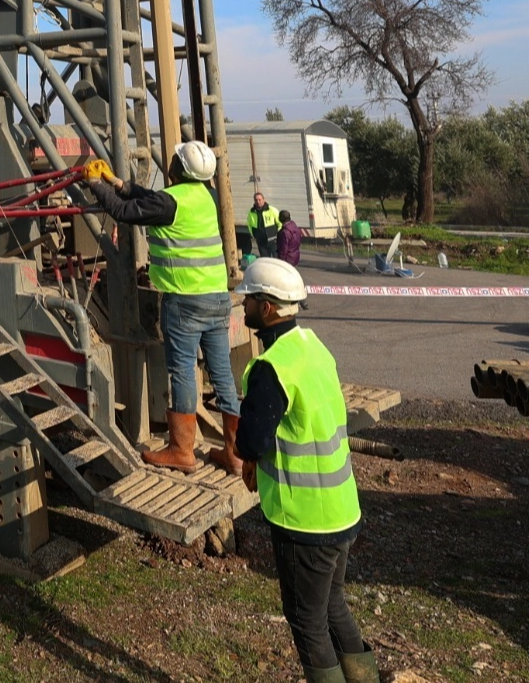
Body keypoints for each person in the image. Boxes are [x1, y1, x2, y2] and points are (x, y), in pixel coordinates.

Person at [234, 258, 376, 683]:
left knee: (307, 621)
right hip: (341, 509)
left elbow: (253, 441)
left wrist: (247, 456)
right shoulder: (314, 347)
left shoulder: (271, 368)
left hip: (305, 522)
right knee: (333, 606)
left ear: (269, 308)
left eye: (250, 298)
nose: (244, 304)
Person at [85, 142, 241, 475]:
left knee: (182, 371)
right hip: (217, 297)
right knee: (223, 375)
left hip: (185, 301)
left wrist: (95, 185)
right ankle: (235, 453)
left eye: (174, 160)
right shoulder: (206, 196)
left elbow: (126, 213)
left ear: (178, 169)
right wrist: (119, 184)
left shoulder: (170, 201)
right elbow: (150, 200)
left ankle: (182, 451)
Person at [249, 191, 281, 259]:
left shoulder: (271, 210)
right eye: (256, 200)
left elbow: (280, 223)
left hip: (273, 241)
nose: (258, 201)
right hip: (261, 242)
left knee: (277, 260)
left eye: (259, 199)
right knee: (265, 261)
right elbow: (249, 225)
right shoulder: (251, 212)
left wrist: (278, 235)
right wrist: (254, 235)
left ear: (264, 199)